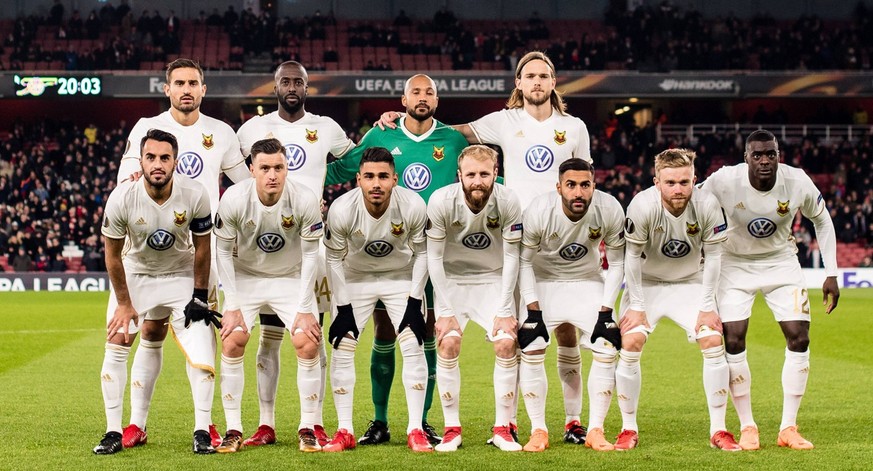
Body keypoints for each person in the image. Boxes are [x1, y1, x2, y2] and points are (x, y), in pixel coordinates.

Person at [377, 52, 593, 444]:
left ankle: (573, 422)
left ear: (553, 81)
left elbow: (582, 178)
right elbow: (453, 133)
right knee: (516, 337)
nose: (537, 82)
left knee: (564, 333)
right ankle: (509, 424)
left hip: (557, 239)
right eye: (530, 76)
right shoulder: (503, 121)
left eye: (544, 75)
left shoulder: (574, 127)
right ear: (519, 83)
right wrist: (402, 122)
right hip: (509, 241)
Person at [324, 74, 468, 446]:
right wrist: (306, 183)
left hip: (438, 250)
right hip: (390, 252)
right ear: (402, 99)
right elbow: (344, 168)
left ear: (438, 99)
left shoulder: (453, 138)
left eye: (429, 92)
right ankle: (380, 420)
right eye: (415, 92)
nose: (422, 97)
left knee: (428, 333)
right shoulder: (379, 135)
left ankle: (421, 420)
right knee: (385, 332)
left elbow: (480, 177)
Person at [115, 58, 250, 450]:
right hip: (153, 249)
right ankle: (136, 424)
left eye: (194, 82)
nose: (187, 89)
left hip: (201, 250)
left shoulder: (221, 132)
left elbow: (243, 185)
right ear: (167, 89)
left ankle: (205, 426)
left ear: (204, 90)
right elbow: (127, 179)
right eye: (179, 83)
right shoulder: (147, 128)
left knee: (202, 334)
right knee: (150, 330)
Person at [236, 60, 356, 447]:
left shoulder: (326, 127)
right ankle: (266, 424)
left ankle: (314, 422)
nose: (292, 86)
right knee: (268, 338)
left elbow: (353, 161)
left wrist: (380, 131)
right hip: (262, 247)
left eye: (298, 82)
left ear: (307, 88)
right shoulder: (251, 130)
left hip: (309, 246)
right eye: (285, 81)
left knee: (310, 333)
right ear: (275, 87)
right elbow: (236, 171)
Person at [699, 130, 840, 450]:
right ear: (745, 157)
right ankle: (748, 426)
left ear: (779, 155)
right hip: (734, 265)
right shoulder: (723, 180)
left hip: (781, 263)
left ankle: (788, 427)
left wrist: (831, 272)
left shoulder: (798, 180)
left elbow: (823, 220)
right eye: (757, 155)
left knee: (799, 335)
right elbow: (693, 203)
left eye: (771, 154)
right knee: (733, 339)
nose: (765, 160)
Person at [93, 129, 219, 455]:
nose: (158, 164)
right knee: (118, 338)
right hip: (137, 273)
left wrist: (199, 296)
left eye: (165, 157)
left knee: (202, 343)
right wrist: (123, 304)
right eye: (151, 157)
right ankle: (112, 431)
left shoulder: (195, 194)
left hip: (180, 273)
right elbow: (111, 255)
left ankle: (202, 430)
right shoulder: (122, 197)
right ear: (141, 161)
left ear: (176, 161)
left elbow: (203, 250)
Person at [615, 148, 739, 451]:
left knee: (712, 341)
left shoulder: (707, 204)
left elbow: (714, 258)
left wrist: (708, 307)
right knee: (630, 343)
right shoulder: (642, 205)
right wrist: (638, 307)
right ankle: (628, 428)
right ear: (657, 181)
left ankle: (719, 430)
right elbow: (630, 259)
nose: (678, 189)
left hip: (690, 283)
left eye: (684, 182)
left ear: (694, 179)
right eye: (670, 182)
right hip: (647, 284)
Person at [212, 138, 325, 453]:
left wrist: (304, 308)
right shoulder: (234, 199)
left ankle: (307, 427)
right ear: (252, 170)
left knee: (307, 339)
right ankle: (233, 428)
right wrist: (232, 305)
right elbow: (221, 252)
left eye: (279, 167)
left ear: (287, 168)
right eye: (265, 168)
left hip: (290, 277)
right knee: (233, 337)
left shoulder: (304, 199)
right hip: (247, 277)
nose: (272, 174)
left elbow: (311, 256)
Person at [322, 147, 432, 452]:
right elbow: (332, 259)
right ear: (358, 179)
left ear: (395, 179)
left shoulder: (412, 205)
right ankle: (344, 430)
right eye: (369, 176)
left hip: (399, 276)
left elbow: (423, 254)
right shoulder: (342, 209)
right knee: (342, 344)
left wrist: (413, 302)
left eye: (383, 176)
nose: (376, 184)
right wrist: (342, 308)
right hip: (355, 277)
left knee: (413, 342)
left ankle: (415, 429)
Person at [517, 158, 625, 452]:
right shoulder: (540, 210)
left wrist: (606, 311)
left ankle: (594, 430)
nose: (579, 192)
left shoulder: (610, 208)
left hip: (586, 281)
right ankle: (538, 430)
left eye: (585, 185)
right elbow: (524, 261)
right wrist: (533, 310)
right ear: (559, 187)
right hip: (543, 281)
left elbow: (616, 263)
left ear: (594, 185)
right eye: (571, 185)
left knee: (606, 345)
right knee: (532, 345)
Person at [426, 145, 523, 452]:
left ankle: (502, 429)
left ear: (496, 173)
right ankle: (452, 430)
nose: (477, 181)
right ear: (460, 176)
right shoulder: (441, 201)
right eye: (471, 174)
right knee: (448, 342)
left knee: (507, 342)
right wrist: (443, 310)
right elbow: (433, 259)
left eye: (484, 173)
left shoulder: (508, 201)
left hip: (493, 279)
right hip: (451, 280)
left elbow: (512, 257)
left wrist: (506, 308)